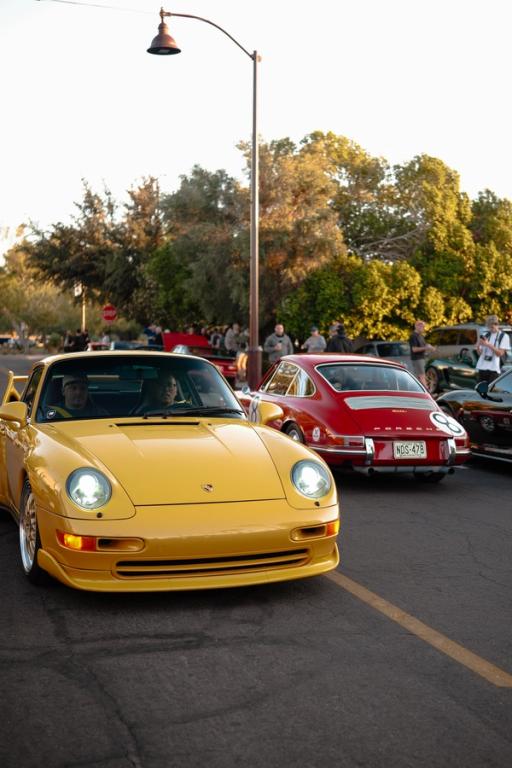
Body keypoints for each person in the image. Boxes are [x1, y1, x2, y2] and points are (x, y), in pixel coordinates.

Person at [475, 314, 511, 383]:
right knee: (480, 388)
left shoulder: (504, 336)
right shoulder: (486, 335)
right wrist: (478, 346)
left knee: (491, 389)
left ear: (497, 324)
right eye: (489, 327)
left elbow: (500, 353)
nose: (490, 329)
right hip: (482, 367)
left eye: (492, 327)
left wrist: (488, 344)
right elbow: (480, 354)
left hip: (494, 369)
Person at [409, 320, 435, 387]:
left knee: (421, 376)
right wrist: (426, 348)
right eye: (422, 326)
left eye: (424, 326)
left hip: (422, 358)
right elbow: (414, 349)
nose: (423, 328)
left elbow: (424, 345)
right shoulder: (413, 336)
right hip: (417, 359)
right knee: (421, 376)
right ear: (417, 326)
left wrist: (430, 347)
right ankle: (426, 392)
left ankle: (422, 391)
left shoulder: (421, 336)